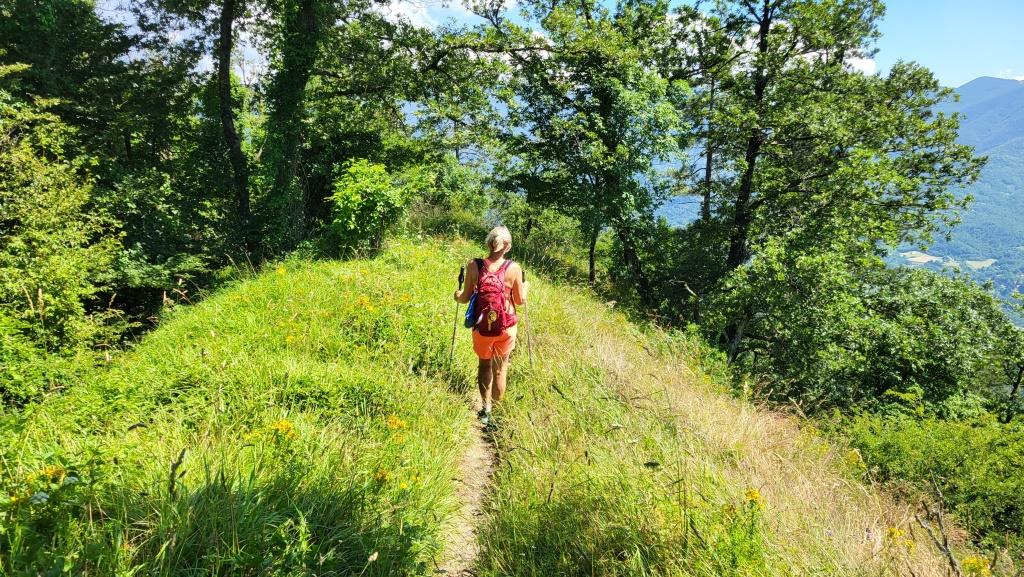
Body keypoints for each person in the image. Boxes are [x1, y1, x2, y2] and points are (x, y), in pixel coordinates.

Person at [454, 225, 527, 428]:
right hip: (506, 327)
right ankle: (495, 418)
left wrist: (457, 295)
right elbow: (519, 301)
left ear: (488, 243)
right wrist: (526, 288)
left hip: (482, 326)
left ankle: (485, 410)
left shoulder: (474, 265)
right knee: (500, 369)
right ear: (508, 246)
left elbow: (465, 298)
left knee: (484, 365)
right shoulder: (514, 268)